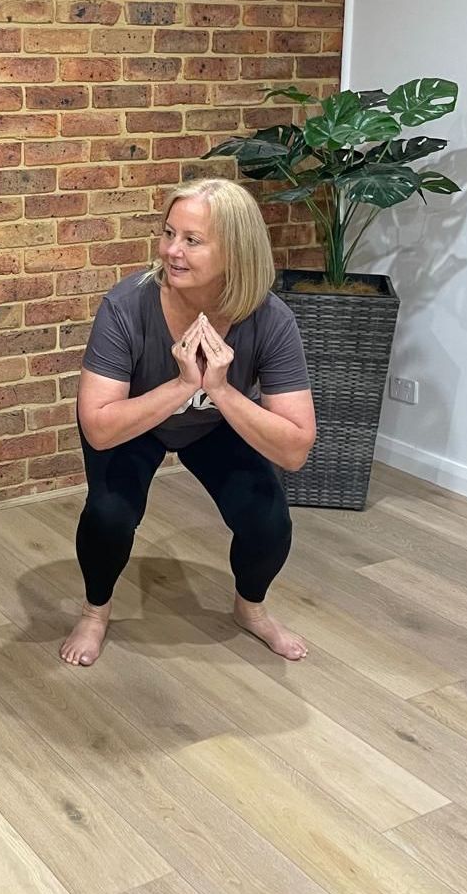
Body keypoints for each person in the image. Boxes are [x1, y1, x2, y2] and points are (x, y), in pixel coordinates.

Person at [61, 177, 317, 668]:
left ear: (235, 251)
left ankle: (251, 609)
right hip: (134, 421)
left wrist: (218, 389)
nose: (172, 251)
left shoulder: (270, 319)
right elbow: (98, 426)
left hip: (216, 423)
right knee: (108, 516)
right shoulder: (126, 305)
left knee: (269, 521)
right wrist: (183, 384)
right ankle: (96, 612)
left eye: (192, 240)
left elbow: (295, 448)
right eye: (168, 233)